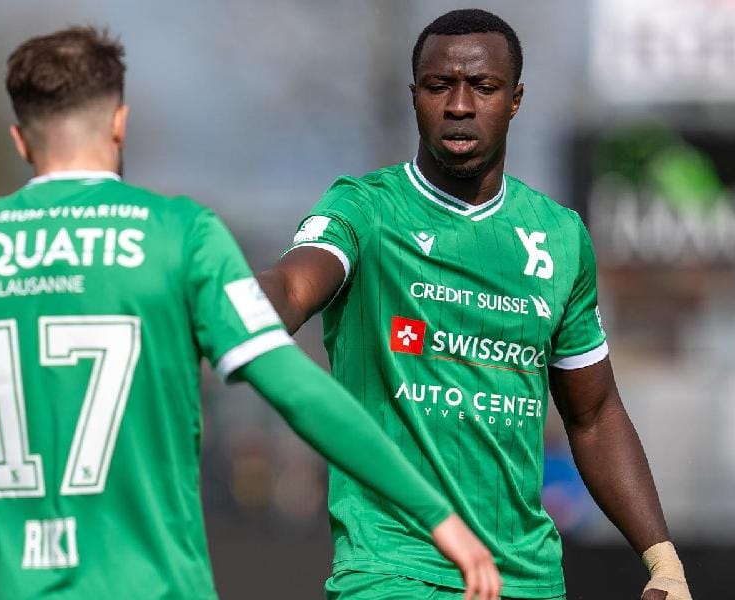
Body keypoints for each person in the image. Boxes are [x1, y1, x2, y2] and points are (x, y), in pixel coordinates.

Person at [0, 27, 501, 600]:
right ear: (119, 124)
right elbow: (296, 390)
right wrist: (437, 514)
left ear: (20, 139)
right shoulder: (179, 237)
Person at [258, 9, 691, 600]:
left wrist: (663, 562)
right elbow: (292, 286)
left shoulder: (559, 237)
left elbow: (594, 416)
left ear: (515, 100)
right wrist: (226, 309)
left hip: (528, 579)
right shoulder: (365, 209)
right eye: (439, 86)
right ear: (415, 96)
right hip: (393, 572)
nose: (459, 105)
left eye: (482, 87)